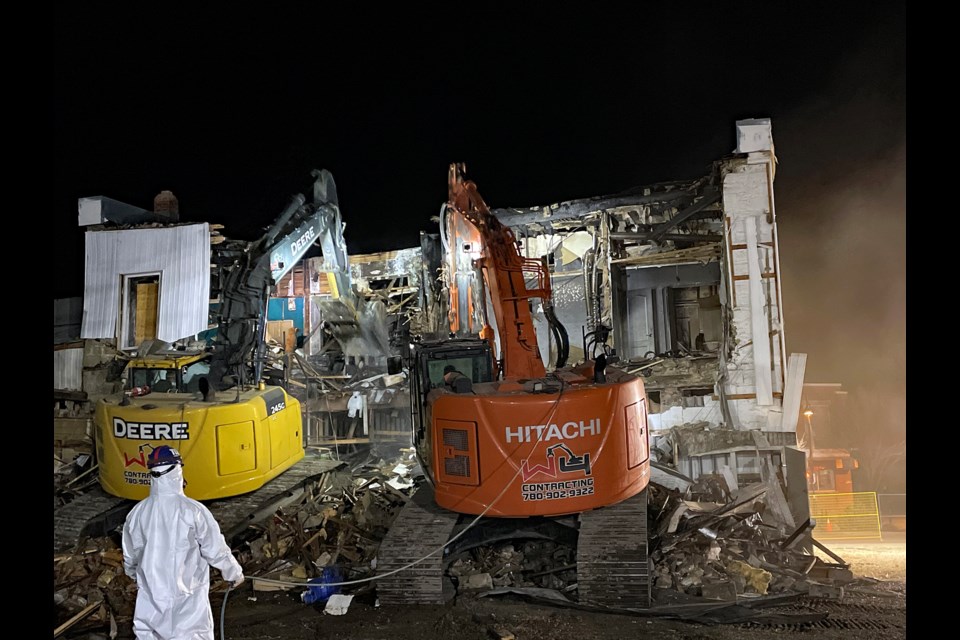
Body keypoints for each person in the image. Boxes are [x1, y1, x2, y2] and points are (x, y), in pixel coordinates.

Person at [122, 446, 244, 640]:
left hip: (151, 601)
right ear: (178, 471)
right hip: (189, 603)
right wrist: (233, 572)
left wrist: (135, 575)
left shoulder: (137, 514)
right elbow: (215, 549)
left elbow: (131, 557)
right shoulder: (194, 511)